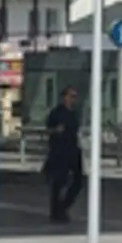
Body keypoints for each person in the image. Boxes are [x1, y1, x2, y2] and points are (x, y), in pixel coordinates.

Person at [43, 86, 84, 224]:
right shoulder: (57, 113)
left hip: (73, 148)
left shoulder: (75, 113)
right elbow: (48, 129)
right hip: (59, 150)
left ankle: (63, 206)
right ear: (64, 97)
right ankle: (56, 211)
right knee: (59, 182)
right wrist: (56, 130)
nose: (73, 99)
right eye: (71, 96)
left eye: (75, 96)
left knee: (78, 180)